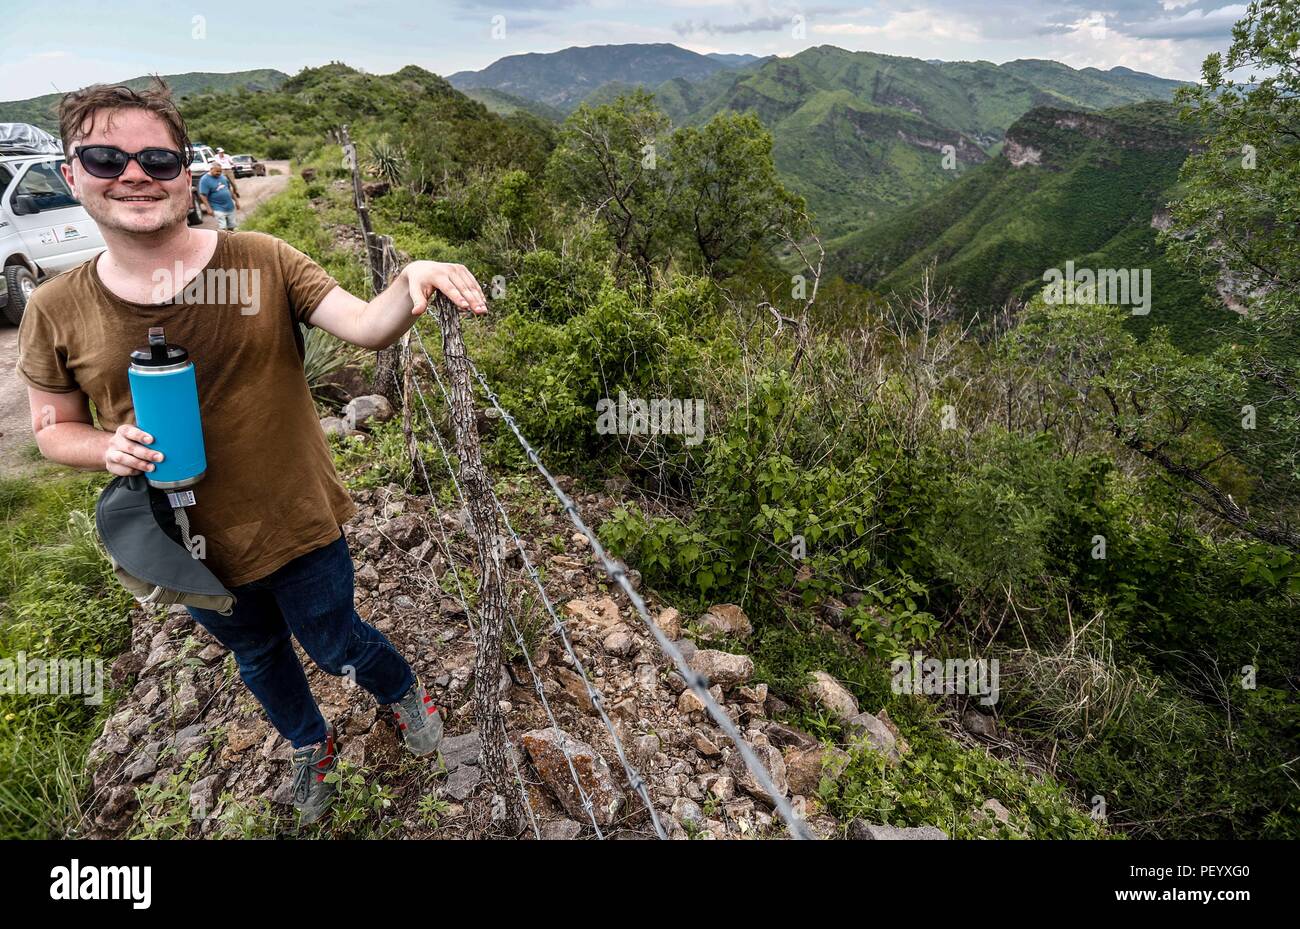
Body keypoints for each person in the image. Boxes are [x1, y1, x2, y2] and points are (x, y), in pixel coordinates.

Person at [16, 79, 489, 826]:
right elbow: (50, 427)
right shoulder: (55, 307)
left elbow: (366, 326)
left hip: (297, 522)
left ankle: (401, 689)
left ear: (186, 170)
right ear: (72, 174)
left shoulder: (262, 259)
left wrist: (412, 277)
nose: (134, 174)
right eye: (106, 157)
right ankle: (311, 742)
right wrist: (107, 447)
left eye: (158, 159)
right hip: (185, 548)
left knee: (336, 640)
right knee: (259, 657)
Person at [198, 162, 239, 230]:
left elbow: (229, 190)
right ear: (211, 169)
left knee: (232, 226)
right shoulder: (205, 180)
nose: (219, 173)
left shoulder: (223, 177)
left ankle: (230, 240)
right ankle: (223, 240)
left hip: (230, 206)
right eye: (217, 171)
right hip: (218, 208)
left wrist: (236, 201)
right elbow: (203, 195)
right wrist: (208, 208)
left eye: (220, 171)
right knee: (222, 227)